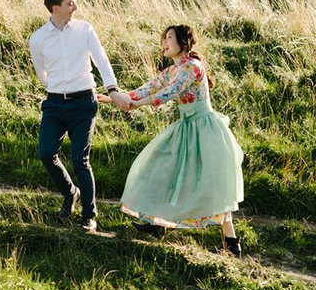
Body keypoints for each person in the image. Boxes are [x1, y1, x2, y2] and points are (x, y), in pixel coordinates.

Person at [99, 24, 245, 256]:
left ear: (183, 43)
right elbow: (147, 88)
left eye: (169, 38)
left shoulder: (193, 67)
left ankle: (231, 243)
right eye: (163, 38)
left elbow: (169, 93)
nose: (164, 42)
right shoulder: (172, 69)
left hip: (204, 128)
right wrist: (112, 99)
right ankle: (157, 224)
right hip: (187, 126)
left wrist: (135, 105)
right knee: (160, 166)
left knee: (212, 185)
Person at [29, 0, 132, 233]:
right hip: (54, 103)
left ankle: (89, 215)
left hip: (84, 103)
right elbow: (41, 73)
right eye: (70, 3)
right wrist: (57, 86)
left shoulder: (85, 30)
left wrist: (113, 89)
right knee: (45, 153)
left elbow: (101, 60)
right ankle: (70, 193)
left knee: (80, 160)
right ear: (56, 8)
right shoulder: (38, 38)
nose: (75, 7)